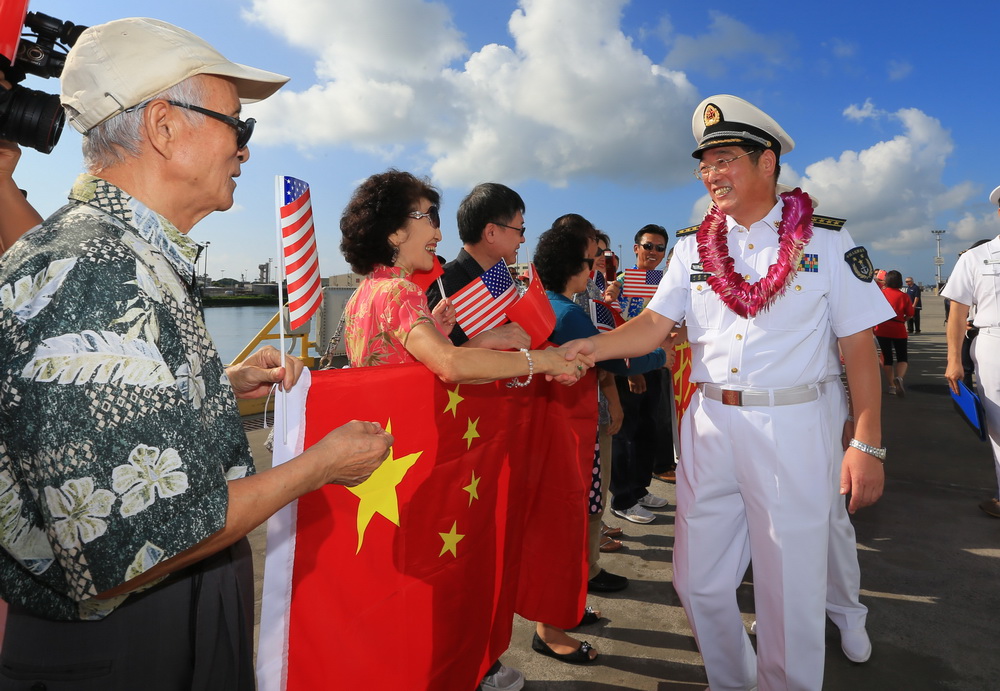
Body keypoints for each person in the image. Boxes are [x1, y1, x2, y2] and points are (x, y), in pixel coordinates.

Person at [0, 18, 397, 689]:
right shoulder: (99, 272)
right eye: (237, 126)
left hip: (163, 614)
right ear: (163, 127)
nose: (244, 150)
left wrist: (216, 384)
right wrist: (323, 463)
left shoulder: (125, 255)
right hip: (126, 643)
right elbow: (136, 545)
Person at [563, 94, 892, 691]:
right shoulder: (692, 246)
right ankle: (735, 680)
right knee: (698, 582)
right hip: (710, 423)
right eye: (704, 164)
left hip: (794, 423)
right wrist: (593, 346)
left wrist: (866, 441)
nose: (711, 175)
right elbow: (656, 325)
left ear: (768, 162)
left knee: (788, 595)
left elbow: (860, 348)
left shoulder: (826, 242)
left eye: (726, 160)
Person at [338, 171, 591, 691]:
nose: (436, 229)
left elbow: (395, 373)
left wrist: (447, 330)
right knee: (448, 582)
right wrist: (539, 359)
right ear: (393, 232)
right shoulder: (400, 293)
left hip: (385, 471)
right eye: (425, 216)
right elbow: (449, 367)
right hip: (422, 466)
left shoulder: (362, 297)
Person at [532, 217, 668, 665]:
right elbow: (619, 359)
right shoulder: (568, 313)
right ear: (576, 265)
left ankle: (564, 609)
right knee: (567, 527)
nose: (596, 270)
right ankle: (549, 627)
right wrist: (665, 349)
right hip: (569, 433)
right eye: (592, 262)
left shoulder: (547, 304)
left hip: (565, 429)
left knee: (578, 520)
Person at [608, 225, 672, 523]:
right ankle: (622, 498)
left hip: (657, 363)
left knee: (649, 430)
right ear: (636, 248)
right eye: (648, 246)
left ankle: (640, 488)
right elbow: (618, 324)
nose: (654, 253)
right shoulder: (622, 282)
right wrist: (633, 367)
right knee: (626, 432)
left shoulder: (666, 283)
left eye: (660, 248)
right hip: (630, 365)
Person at [943, 190, 1000, 520]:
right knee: (997, 424)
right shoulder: (977, 258)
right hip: (993, 343)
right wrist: (954, 359)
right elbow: (956, 313)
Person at [425, 182, 531, 350]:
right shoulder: (441, 287)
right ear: (491, 232)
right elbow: (436, 362)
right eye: (520, 230)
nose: (523, 239)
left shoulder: (505, 282)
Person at [874, 270, 914, 396]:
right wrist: (902, 319)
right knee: (902, 357)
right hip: (898, 328)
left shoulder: (881, 294)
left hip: (882, 328)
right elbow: (910, 314)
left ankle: (891, 385)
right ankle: (900, 377)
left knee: (887, 357)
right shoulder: (904, 296)